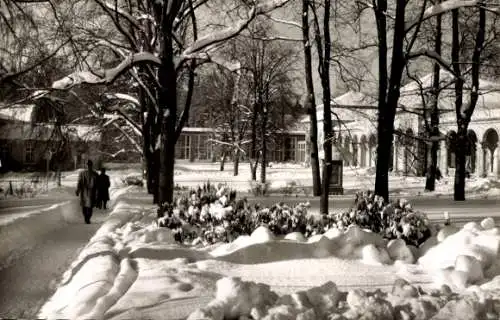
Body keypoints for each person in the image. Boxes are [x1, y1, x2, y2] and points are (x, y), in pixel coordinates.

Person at [76, 160, 98, 224]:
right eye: (88, 165)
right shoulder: (94, 174)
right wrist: (78, 190)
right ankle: (87, 218)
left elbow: (97, 186)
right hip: (87, 192)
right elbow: (79, 183)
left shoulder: (94, 174)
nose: (88, 166)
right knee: (87, 207)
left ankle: (87, 218)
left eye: (89, 165)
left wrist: (78, 190)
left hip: (87, 192)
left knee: (86, 206)